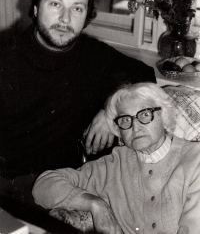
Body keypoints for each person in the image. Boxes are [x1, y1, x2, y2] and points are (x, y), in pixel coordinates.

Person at [0, 0, 156, 205]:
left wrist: (110, 110)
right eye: (55, 4)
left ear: (86, 16)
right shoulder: (6, 59)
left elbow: (144, 74)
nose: (65, 19)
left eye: (77, 8)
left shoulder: (92, 54)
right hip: (9, 187)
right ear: (35, 6)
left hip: (67, 181)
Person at [33, 83, 200, 234]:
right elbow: (43, 186)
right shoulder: (114, 163)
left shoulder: (195, 161)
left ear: (164, 117)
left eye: (145, 114)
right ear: (118, 130)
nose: (135, 127)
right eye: (125, 119)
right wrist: (95, 204)